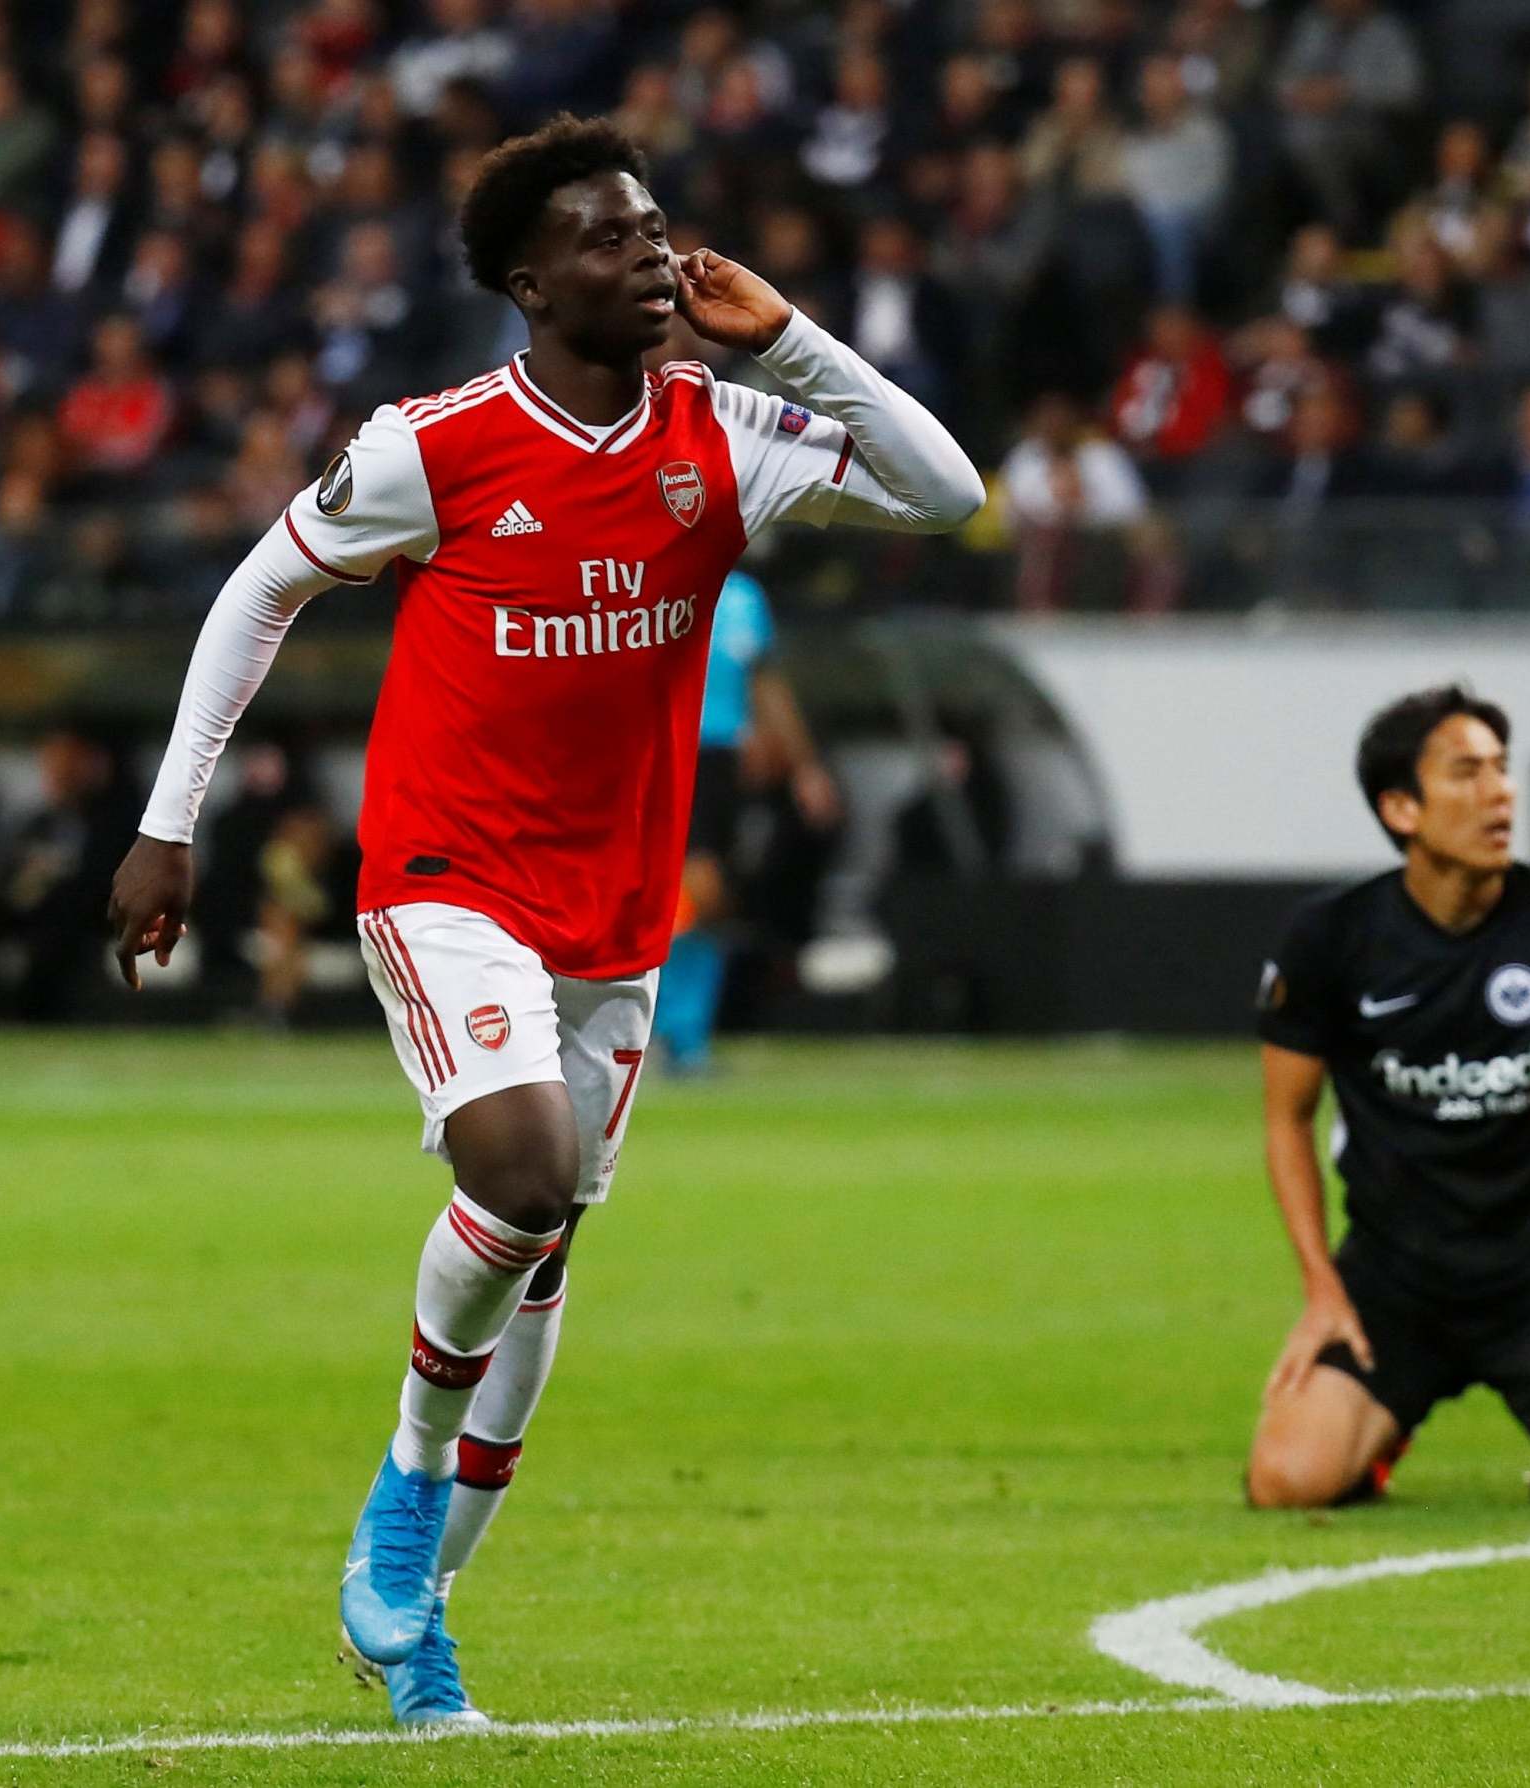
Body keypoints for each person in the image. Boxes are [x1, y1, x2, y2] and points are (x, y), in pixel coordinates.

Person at [104, 115, 982, 1726]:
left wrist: (791, 337)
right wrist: (170, 826)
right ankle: (405, 1480)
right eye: (608, 237)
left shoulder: (728, 429)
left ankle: (421, 1614)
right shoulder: (429, 448)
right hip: (445, 878)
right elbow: (255, 592)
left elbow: (950, 490)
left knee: (543, 1244)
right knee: (525, 1172)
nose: (649, 253)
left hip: (617, 916)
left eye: (656, 228)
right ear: (529, 282)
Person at [1245, 686, 1530, 1512]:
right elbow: (1286, 1121)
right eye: (1466, 773)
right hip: (1392, 1287)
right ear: (1401, 808)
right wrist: (1322, 1292)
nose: (1499, 793)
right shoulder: (1329, 936)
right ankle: (1381, 1435)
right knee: (1287, 1483)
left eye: (1501, 769)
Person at [653, 567, 840, 1072]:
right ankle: (663, 1029)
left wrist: (804, 767)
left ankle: (682, 1034)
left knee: (708, 899)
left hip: (720, 758)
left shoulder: (742, 597)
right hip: (661, 747)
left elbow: (766, 683)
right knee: (690, 891)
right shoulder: (650, 576)